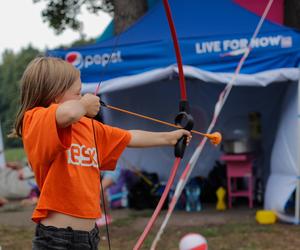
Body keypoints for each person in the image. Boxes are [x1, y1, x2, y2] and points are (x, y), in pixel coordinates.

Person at [13, 57, 192, 250]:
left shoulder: (87, 126)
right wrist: (85, 105)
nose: (83, 98)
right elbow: (68, 114)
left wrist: (170, 138)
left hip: (89, 237)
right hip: (56, 239)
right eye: (78, 94)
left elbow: (129, 137)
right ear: (55, 94)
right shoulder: (35, 120)